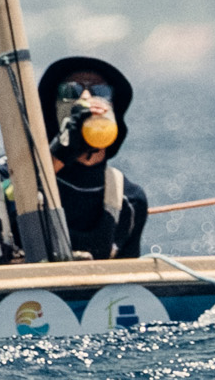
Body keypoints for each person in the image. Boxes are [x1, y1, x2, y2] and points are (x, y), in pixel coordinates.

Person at [36, 55, 147, 260]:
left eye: (101, 92)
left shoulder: (130, 201)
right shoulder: (11, 176)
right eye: (71, 91)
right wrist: (61, 150)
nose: (86, 99)